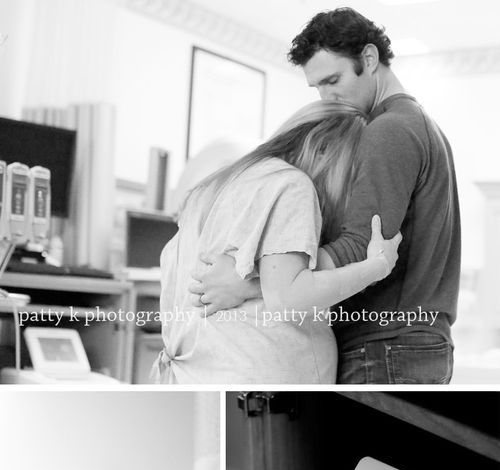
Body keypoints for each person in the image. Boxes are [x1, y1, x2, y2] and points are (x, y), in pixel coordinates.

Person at [192, 7, 460, 386]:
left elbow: (361, 247)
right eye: (317, 86)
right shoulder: (422, 126)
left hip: (384, 343)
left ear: (369, 59)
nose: (326, 96)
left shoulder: (390, 130)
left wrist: (252, 281)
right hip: (406, 342)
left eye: (332, 80)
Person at [154, 103, 401, 385]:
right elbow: (289, 297)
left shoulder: (216, 184)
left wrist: (246, 285)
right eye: (351, 173)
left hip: (197, 377)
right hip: (262, 384)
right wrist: (378, 266)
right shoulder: (293, 185)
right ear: (324, 149)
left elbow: (270, 281)